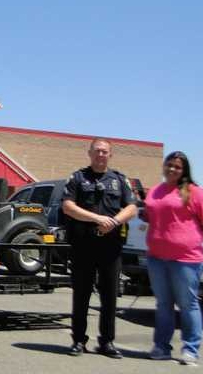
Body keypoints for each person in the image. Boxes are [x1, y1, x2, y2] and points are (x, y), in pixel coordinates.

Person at [62, 138, 137, 358]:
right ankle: (78, 340)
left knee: (110, 296)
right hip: (83, 246)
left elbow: (132, 208)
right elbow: (68, 206)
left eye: (104, 152)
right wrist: (97, 219)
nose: (101, 155)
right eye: (97, 151)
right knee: (81, 295)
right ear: (90, 153)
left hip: (110, 247)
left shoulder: (120, 180)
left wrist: (113, 222)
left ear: (110, 155)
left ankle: (107, 342)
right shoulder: (77, 178)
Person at [144, 151, 203, 365]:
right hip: (156, 258)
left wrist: (191, 241)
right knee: (163, 304)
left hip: (186, 260)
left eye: (177, 166)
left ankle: (190, 349)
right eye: (169, 165)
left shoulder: (194, 192)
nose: (172, 169)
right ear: (164, 166)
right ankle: (161, 347)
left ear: (184, 170)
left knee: (188, 304)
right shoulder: (155, 191)